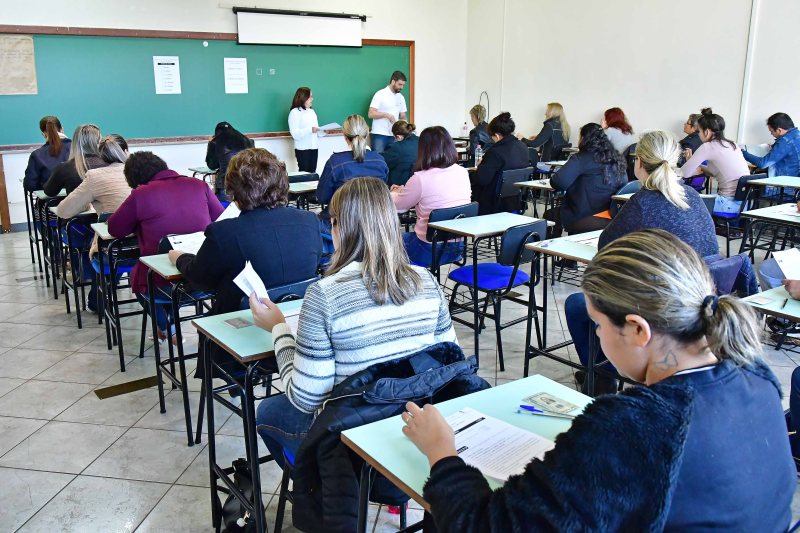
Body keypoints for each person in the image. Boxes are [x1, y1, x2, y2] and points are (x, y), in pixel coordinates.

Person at [402, 229, 795, 533]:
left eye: (599, 325)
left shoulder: (632, 426)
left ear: (638, 330)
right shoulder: (754, 375)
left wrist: (442, 453)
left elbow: (484, 525)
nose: (597, 337)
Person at [251, 176, 457, 466]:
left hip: (351, 437)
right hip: (413, 426)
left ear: (340, 227)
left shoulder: (323, 294)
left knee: (268, 410)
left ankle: (318, 486)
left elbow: (306, 399)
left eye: (332, 222)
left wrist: (278, 329)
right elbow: (448, 361)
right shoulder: (427, 280)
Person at [565, 130, 720, 394]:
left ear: (638, 162)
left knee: (577, 305)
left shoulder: (643, 203)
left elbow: (606, 248)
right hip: (705, 302)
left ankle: (601, 379)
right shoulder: (692, 197)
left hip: (664, 310)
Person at [168, 148, 321, 376]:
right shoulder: (309, 221)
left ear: (233, 191)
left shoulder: (223, 233)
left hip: (241, 336)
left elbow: (200, 278)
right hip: (300, 331)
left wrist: (179, 257)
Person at [108, 152, 224, 344]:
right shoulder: (198, 185)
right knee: (165, 279)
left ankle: (168, 329)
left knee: (138, 279)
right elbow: (220, 219)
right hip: (205, 278)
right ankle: (168, 327)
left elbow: (115, 229)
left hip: (164, 284)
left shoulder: (141, 194)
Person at [57, 135, 132, 313]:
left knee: (100, 243)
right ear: (126, 152)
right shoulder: (140, 172)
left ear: (101, 157)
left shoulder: (94, 176)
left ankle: (98, 299)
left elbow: (63, 211)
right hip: (145, 247)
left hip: (112, 248)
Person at [391, 126, 471, 266]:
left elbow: (399, 206)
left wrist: (393, 193)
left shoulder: (420, 178)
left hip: (427, 250)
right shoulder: (463, 172)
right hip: (458, 248)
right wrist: (406, 190)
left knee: (387, 239)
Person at [544, 123, 627, 237]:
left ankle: (554, 250)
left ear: (583, 139)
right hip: (612, 214)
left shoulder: (582, 158)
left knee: (549, 215)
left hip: (587, 216)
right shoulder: (616, 158)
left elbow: (558, 182)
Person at [316, 114, 388, 238]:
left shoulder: (335, 162)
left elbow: (322, 197)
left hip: (344, 226)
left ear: (345, 137)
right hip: (375, 225)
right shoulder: (380, 161)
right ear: (366, 135)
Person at [681, 108, 750, 214]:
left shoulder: (708, 147)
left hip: (727, 203)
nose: (699, 135)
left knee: (682, 201)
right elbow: (715, 171)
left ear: (707, 132)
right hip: (745, 203)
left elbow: (684, 173)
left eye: (699, 131)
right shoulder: (732, 145)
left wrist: (690, 163)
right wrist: (694, 163)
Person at [472, 112, 529, 215]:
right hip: (515, 200)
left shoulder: (495, 152)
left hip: (493, 204)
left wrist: (478, 168)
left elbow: (481, 179)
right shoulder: (523, 147)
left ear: (497, 135)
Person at [43, 124, 105, 196]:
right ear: (100, 142)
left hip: (78, 206)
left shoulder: (65, 168)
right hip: (107, 206)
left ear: (75, 143)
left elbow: (49, 192)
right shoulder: (111, 164)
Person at [206, 122, 254, 203]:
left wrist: (210, 143)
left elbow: (212, 165)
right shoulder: (249, 141)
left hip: (225, 190)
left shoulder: (216, 143)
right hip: (248, 187)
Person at [742, 112, 800, 178]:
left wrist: (741, 152)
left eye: (771, 131)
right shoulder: (797, 135)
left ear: (779, 130)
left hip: (784, 184)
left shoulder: (785, 142)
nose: (771, 134)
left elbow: (762, 163)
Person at [23, 116, 71, 192]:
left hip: (50, 202)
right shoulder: (78, 148)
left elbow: (30, 185)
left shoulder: (37, 155)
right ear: (62, 130)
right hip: (80, 201)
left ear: (44, 134)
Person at [368, 71, 408, 152]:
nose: (402, 87)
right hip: (380, 133)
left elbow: (403, 115)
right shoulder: (380, 94)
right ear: (393, 81)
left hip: (394, 134)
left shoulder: (401, 97)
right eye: (400, 84)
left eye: (403, 85)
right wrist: (386, 115)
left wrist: (404, 123)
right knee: (378, 158)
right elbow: (370, 113)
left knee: (393, 160)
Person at [288, 87, 320, 173]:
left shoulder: (312, 112)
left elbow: (316, 131)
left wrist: (324, 131)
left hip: (314, 147)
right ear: (303, 97)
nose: (312, 99)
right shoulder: (294, 112)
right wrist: (310, 130)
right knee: (304, 174)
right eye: (310, 97)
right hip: (302, 149)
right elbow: (295, 133)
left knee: (312, 174)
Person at [381, 120, 419, 187]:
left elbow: (384, 162)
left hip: (400, 185)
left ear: (398, 136)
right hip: (418, 181)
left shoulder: (397, 147)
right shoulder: (422, 141)